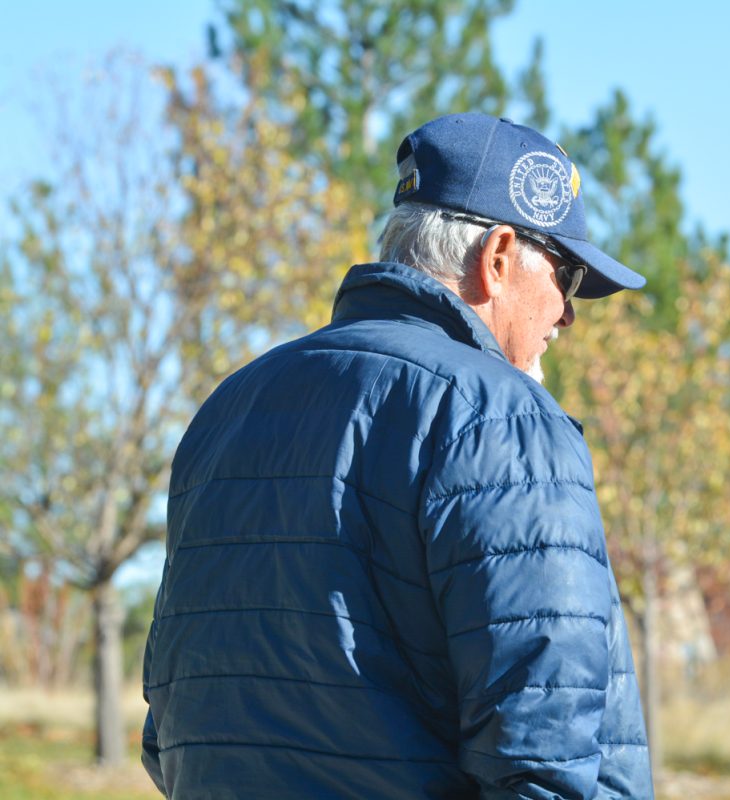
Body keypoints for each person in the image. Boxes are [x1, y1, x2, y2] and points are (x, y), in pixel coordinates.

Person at [140, 113, 653, 799]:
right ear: (497, 258)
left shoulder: (227, 410)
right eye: (563, 272)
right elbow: (545, 757)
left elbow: (173, 726)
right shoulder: (504, 418)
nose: (566, 315)